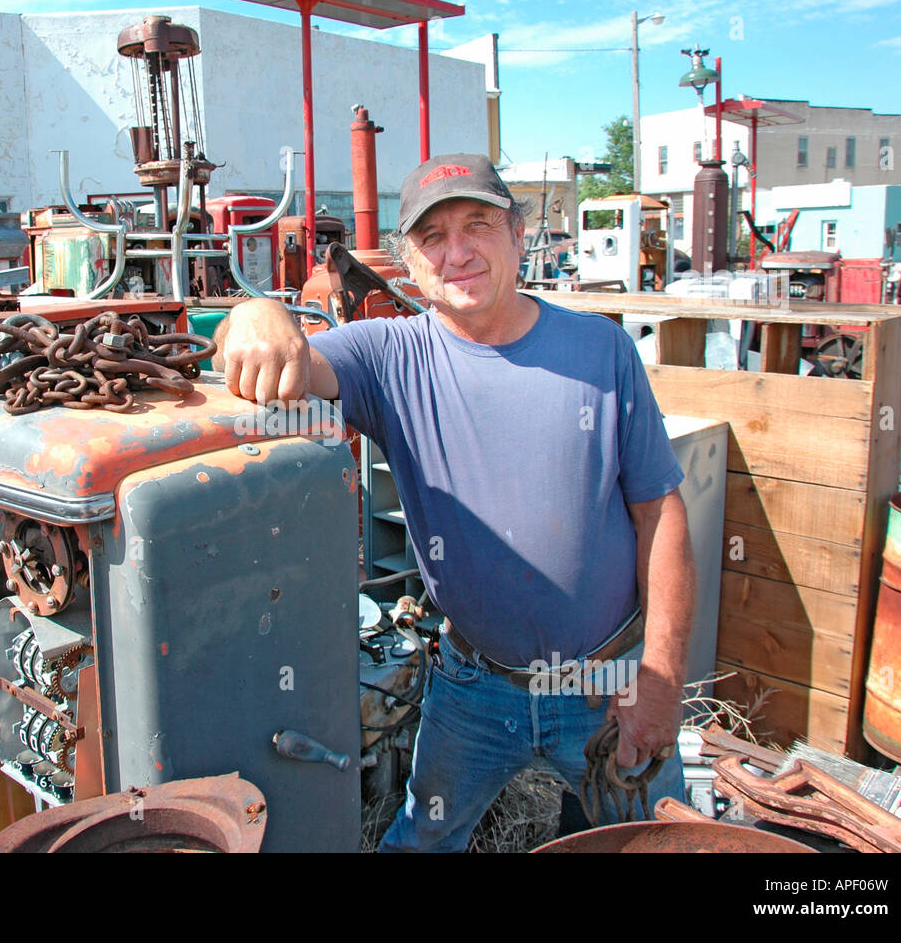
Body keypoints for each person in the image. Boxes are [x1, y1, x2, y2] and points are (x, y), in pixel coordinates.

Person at [215, 153, 696, 852]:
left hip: (606, 689)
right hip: (474, 690)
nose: (458, 251)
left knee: (662, 844)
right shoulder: (389, 356)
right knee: (422, 841)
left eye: (479, 224)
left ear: (520, 235)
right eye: (433, 237)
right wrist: (257, 312)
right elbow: (263, 352)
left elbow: (662, 514)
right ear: (409, 260)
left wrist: (659, 676)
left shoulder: (602, 351)